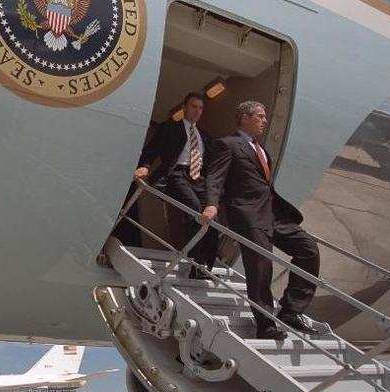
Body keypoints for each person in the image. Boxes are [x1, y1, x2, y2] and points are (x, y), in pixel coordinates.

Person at [202, 101, 320, 340]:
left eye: (265, 117)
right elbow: (215, 177)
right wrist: (211, 204)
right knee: (260, 267)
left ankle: (290, 311)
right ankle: (266, 326)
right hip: (248, 215)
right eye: (260, 116)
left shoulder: (261, 149)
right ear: (245, 118)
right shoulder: (228, 145)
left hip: (273, 214)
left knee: (309, 250)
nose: (265, 121)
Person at [134, 92, 219, 279]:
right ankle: (195, 261)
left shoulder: (204, 136)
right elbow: (152, 149)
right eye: (193, 106)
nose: (197, 111)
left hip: (199, 179)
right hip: (177, 174)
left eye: (200, 108)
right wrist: (145, 166)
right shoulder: (170, 128)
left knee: (214, 220)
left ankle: (206, 267)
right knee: (196, 212)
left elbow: (213, 163)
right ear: (185, 108)